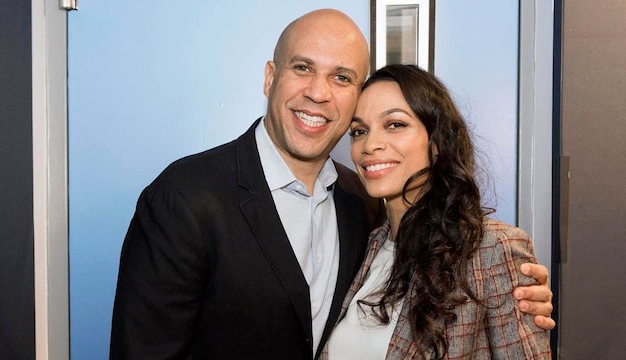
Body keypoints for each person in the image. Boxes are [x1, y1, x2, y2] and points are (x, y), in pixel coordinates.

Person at [110, 9, 553, 360]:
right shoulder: (183, 197)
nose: (319, 93)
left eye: (341, 77)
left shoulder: (359, 202)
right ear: (270, 76)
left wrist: (519, 297)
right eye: (303, 67)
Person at [322, 64, 551, 359]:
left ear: (437, 142)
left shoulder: (491, 249)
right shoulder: (369, 243)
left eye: (395, 124)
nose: (370, 144)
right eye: (359, 131)